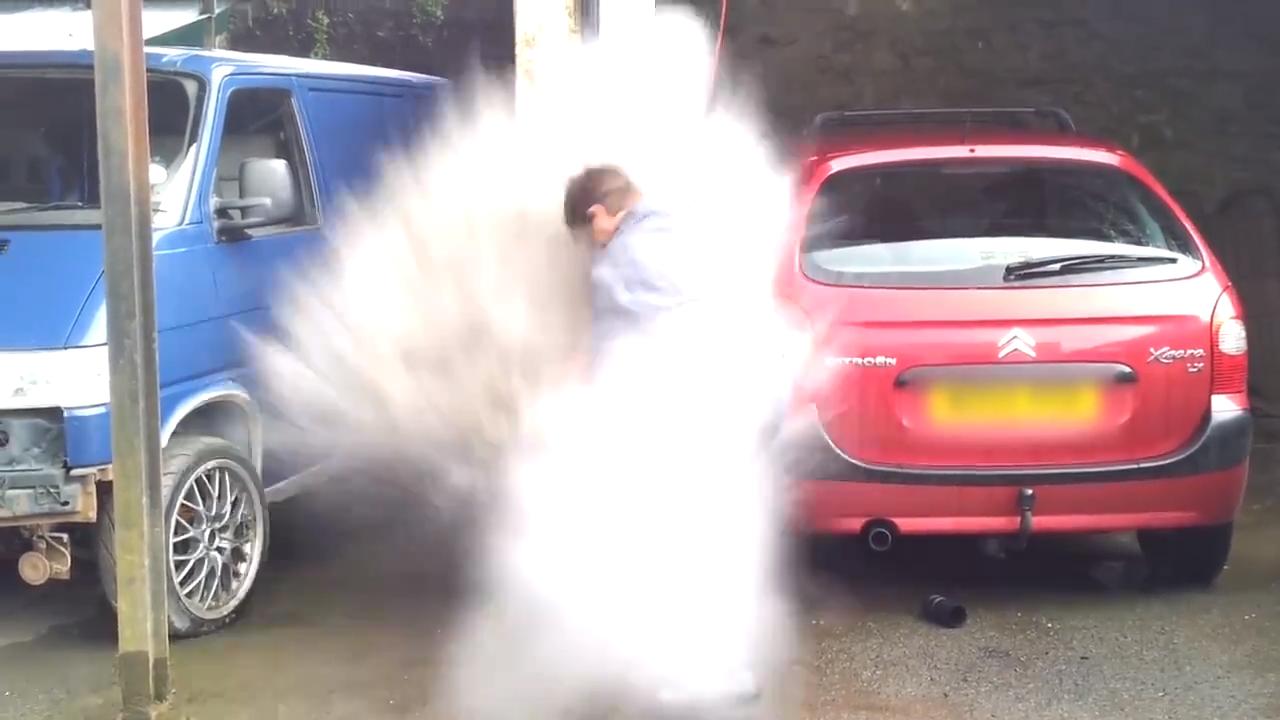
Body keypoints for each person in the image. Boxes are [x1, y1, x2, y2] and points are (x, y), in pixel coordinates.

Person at [561, 165, 764, 712]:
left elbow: (624, 356)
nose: (593, 249)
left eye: (588, 237)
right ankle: (719, 666)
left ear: (597, 214)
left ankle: (705, 673)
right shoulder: (684, 228)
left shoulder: (628, 257)